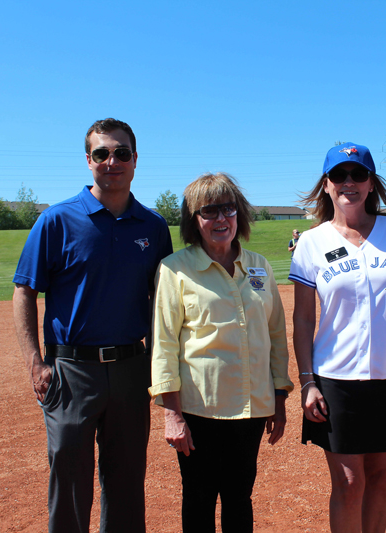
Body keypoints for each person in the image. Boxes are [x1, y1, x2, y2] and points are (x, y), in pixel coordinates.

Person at [12, 118, 173, 533]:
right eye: (102, 153)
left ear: (135, 159)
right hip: (71, 371)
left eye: (121, 153)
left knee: (126, 483)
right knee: (68, 480)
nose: (112, 161)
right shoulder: (57, 220)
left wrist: (160, 367)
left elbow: (164, 302)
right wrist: (35, 362)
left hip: (131, 368)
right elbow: (25, 291)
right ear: (88, 161)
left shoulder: (153, 227)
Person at [290, 142, 386, 533]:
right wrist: (307, 382)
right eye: (339, 175)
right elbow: (303, 319)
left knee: (382, 476)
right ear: (326, 185)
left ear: (372, 184)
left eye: (358, 174)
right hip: (336, 378)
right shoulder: (312, 242)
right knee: (350, 482)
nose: (348, 182)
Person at [150, 172, 293, 533]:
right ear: (193, 221)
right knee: (198, 499)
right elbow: (164, 342)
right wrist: (172, 415)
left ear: (239, 214)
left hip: (250, 409)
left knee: (239, 498)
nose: (220, 219)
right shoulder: (175, 270)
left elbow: (275, 334)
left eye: (227, 209)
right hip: (199, 410)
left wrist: (279, 397)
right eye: (208, 211)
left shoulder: (259, 266)